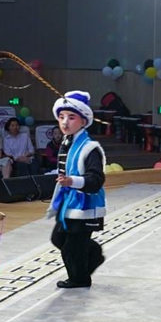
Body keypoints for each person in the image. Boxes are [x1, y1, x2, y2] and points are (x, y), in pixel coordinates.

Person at [47, 91, 107, 289]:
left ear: (84, 120)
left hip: (84, 204)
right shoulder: (68, 142)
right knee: (59, 238)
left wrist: (72, 181)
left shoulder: (90, 148)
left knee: (71, 249)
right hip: (68, 203)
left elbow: (96, 180)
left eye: (71, 117)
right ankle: (93, 254)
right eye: (62, 117)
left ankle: (79, 279)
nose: (65, 122)